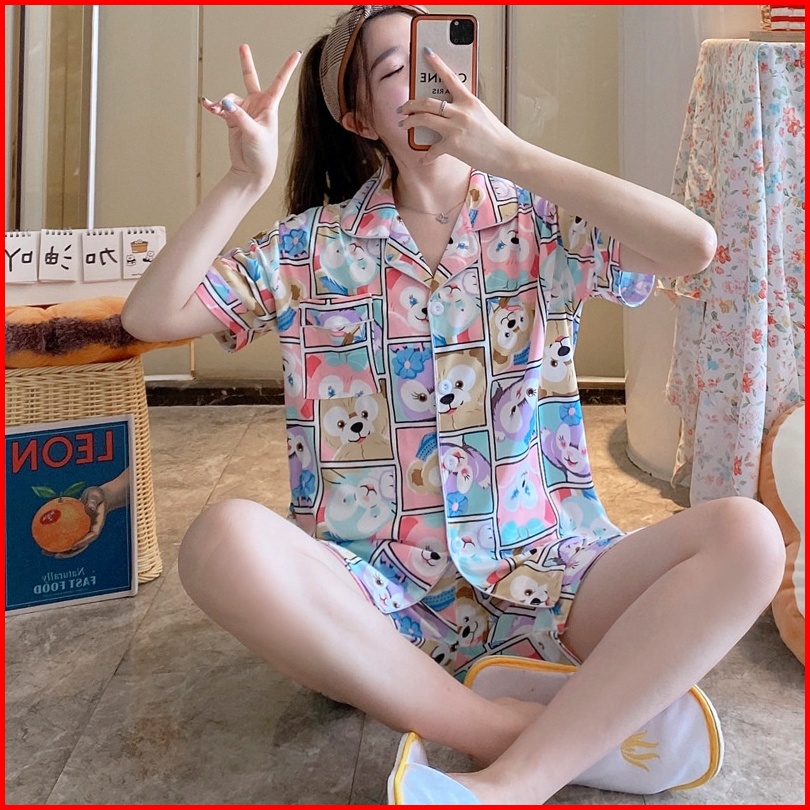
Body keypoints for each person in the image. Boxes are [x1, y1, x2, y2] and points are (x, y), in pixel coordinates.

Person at [121, 5, 785, 804]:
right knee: (219, 539)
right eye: (395, 69)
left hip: (550, 578)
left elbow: (693, 247)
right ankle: (513, 731)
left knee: (749, 537)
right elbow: (151, 317)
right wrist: (243, 181)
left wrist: (512, 155)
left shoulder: (539, 220)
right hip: (378, 609)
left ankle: (516, 778)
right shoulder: (311, 249)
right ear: (360, 117)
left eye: (437, 57)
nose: (427, 78)